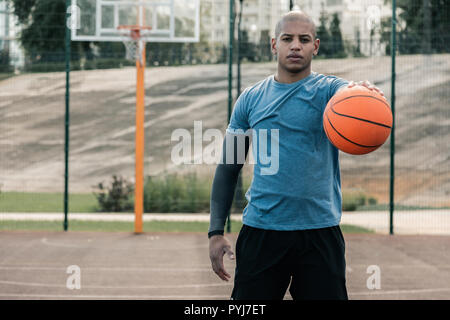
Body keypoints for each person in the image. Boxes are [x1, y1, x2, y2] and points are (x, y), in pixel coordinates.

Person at [208, 11, 385, 300]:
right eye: (287, 38)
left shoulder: (331, 93)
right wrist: (215, 231)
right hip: (262, 231)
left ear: (315, 46)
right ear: (273, 44)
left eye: (304, 40)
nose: (295, 46)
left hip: (320, 232)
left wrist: (364, 90)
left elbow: (352, 92)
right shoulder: (251, 99)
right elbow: (229, 167)